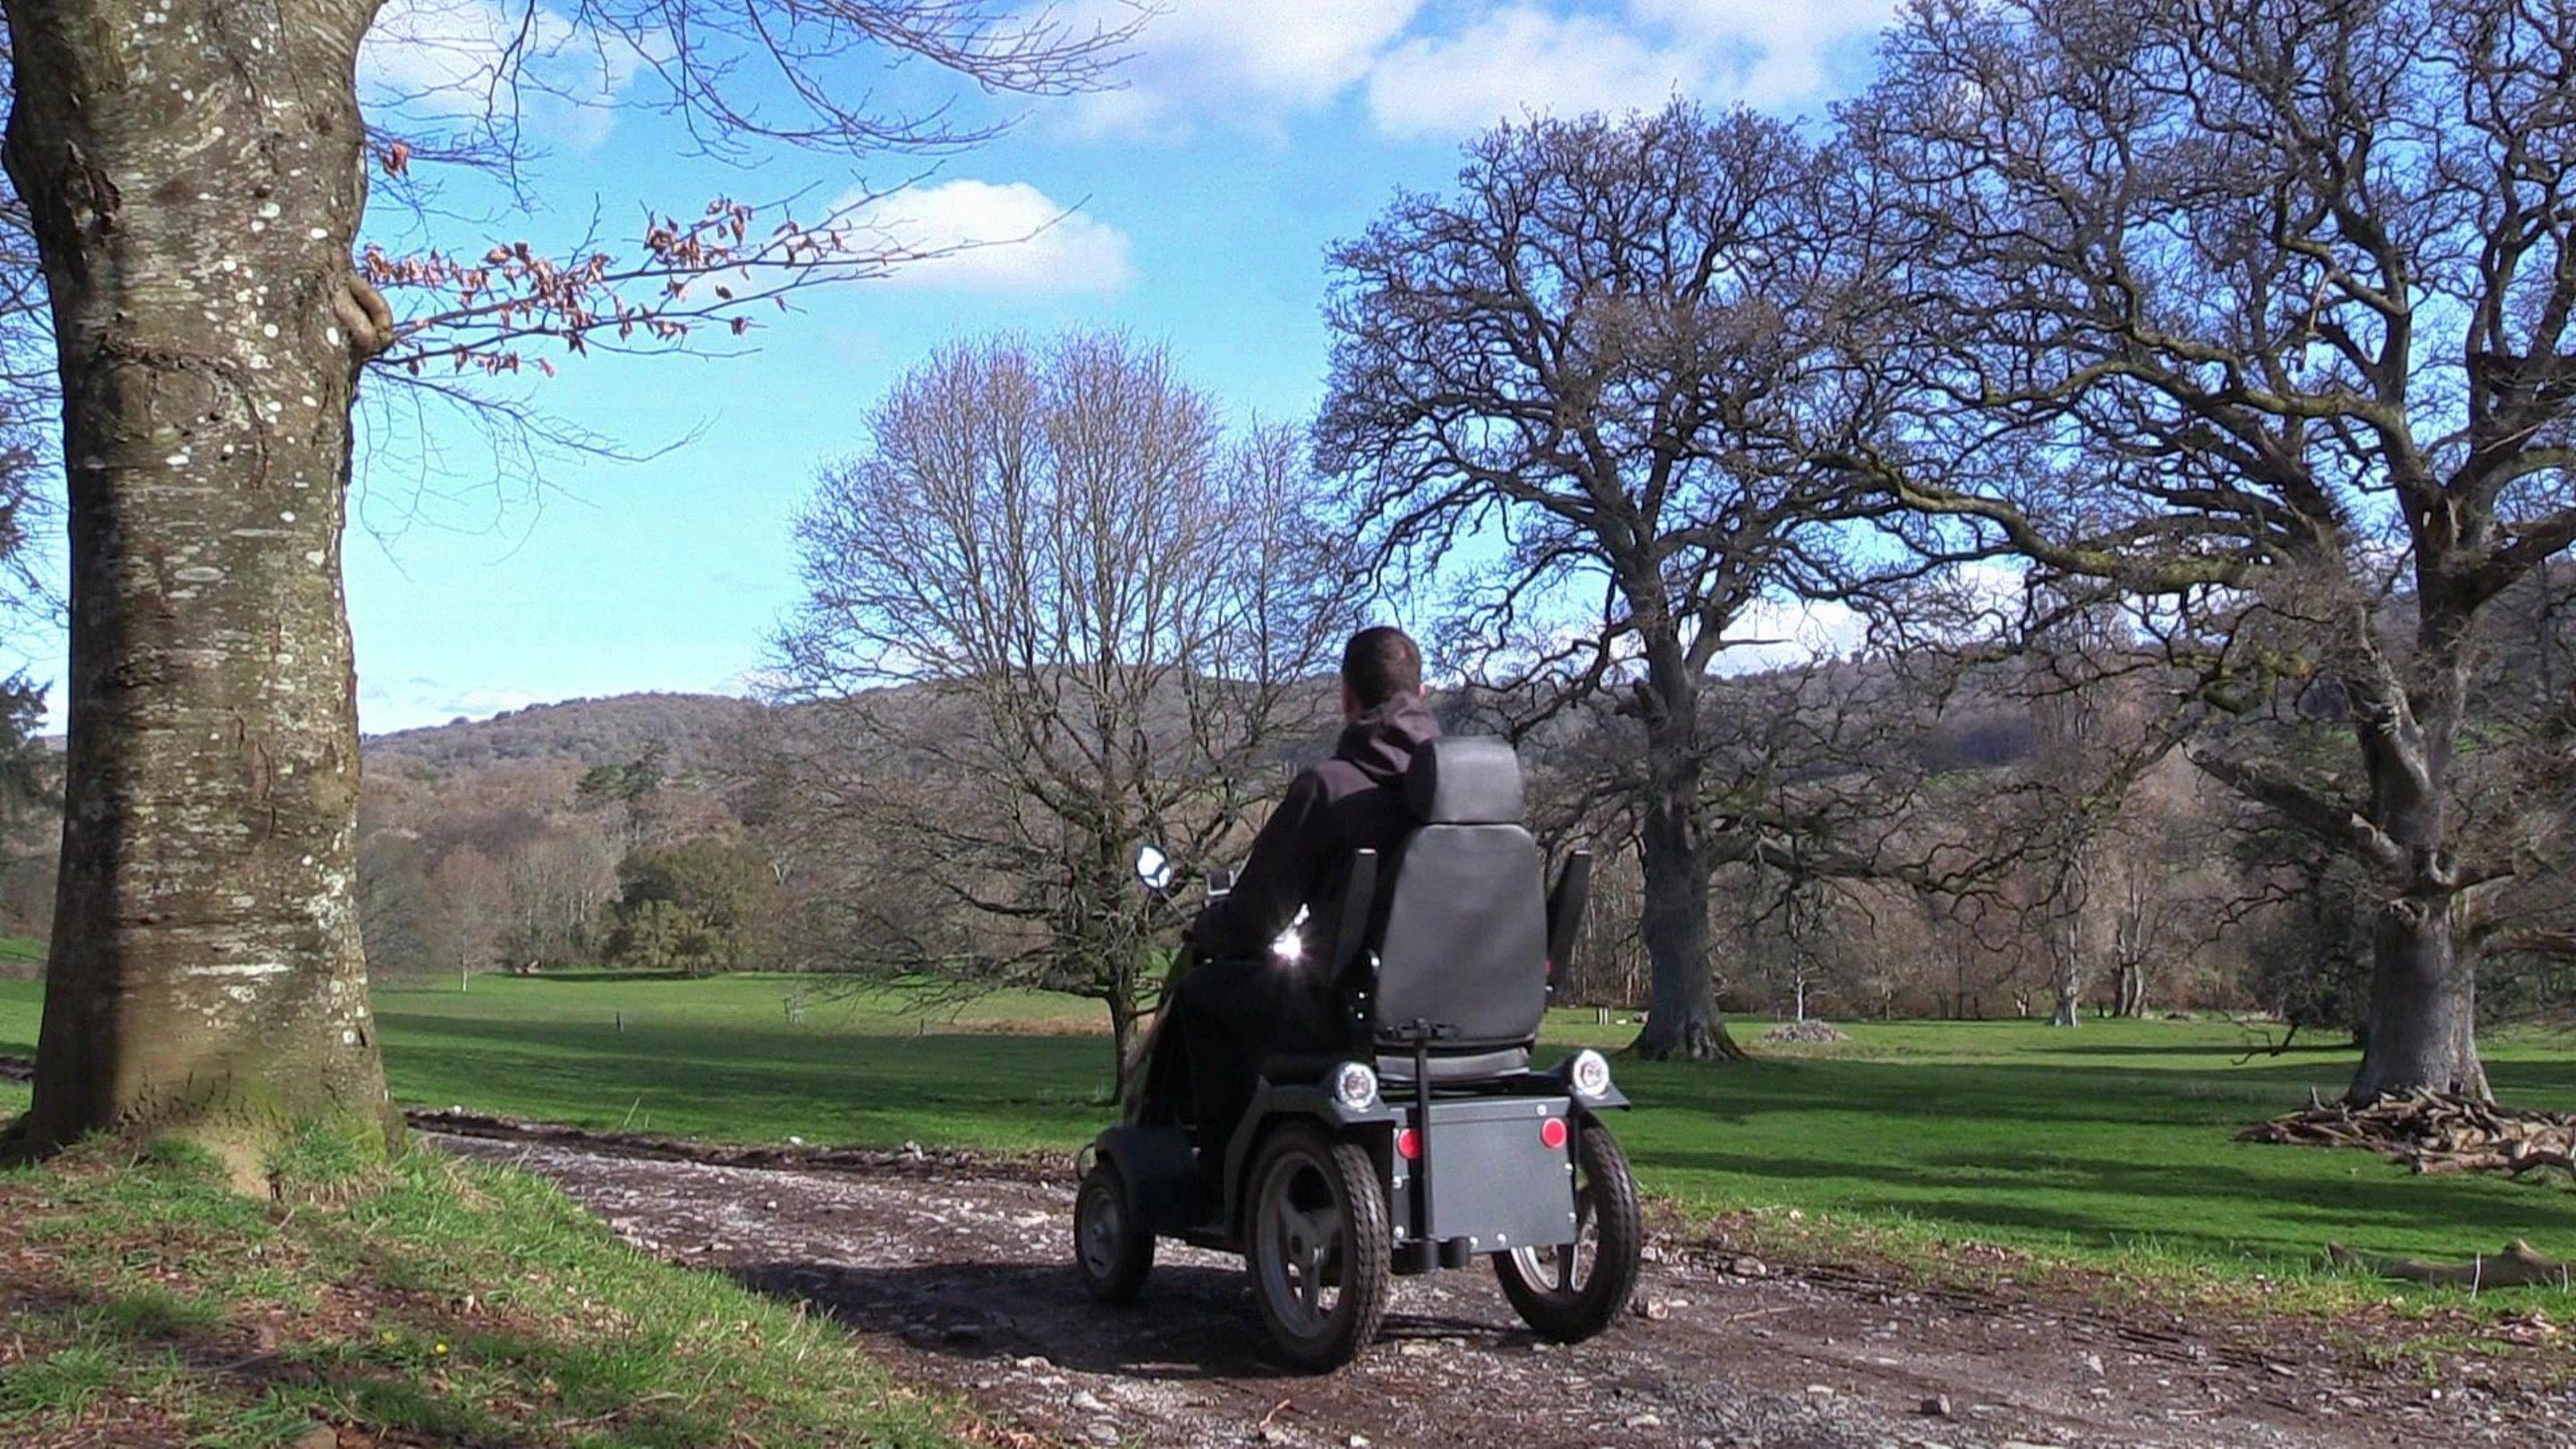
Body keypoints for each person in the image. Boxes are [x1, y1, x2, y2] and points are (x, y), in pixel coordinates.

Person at [1166, 625, 1439, 1170]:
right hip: (1476, 1016)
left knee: (1203, 995)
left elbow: (1257, 917)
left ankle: (1225, 1176)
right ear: (1423, 695)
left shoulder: (1330, 789)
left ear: (1347, 698)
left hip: (1352, 1014)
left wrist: (1206, 928)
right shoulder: (1469, 801)